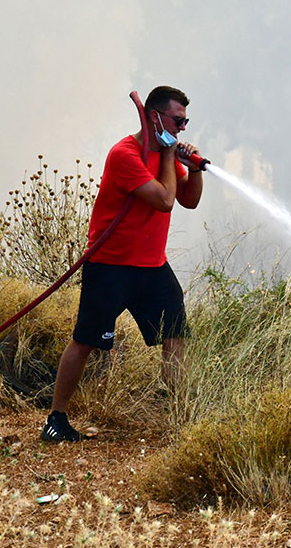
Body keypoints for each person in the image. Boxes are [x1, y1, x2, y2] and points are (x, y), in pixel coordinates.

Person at [40, 85, 204, 443]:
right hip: (111, 265)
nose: (182, 128)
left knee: (175, 335)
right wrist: (168, 155)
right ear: (155, 116)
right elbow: (163, 200)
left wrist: (194, 166)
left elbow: (188, 200)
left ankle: (181, 422)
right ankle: (56, 419)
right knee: (85, 341)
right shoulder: (124, 154)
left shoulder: (166, 155)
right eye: (178, 120)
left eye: (185, 121)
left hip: (152, 267)